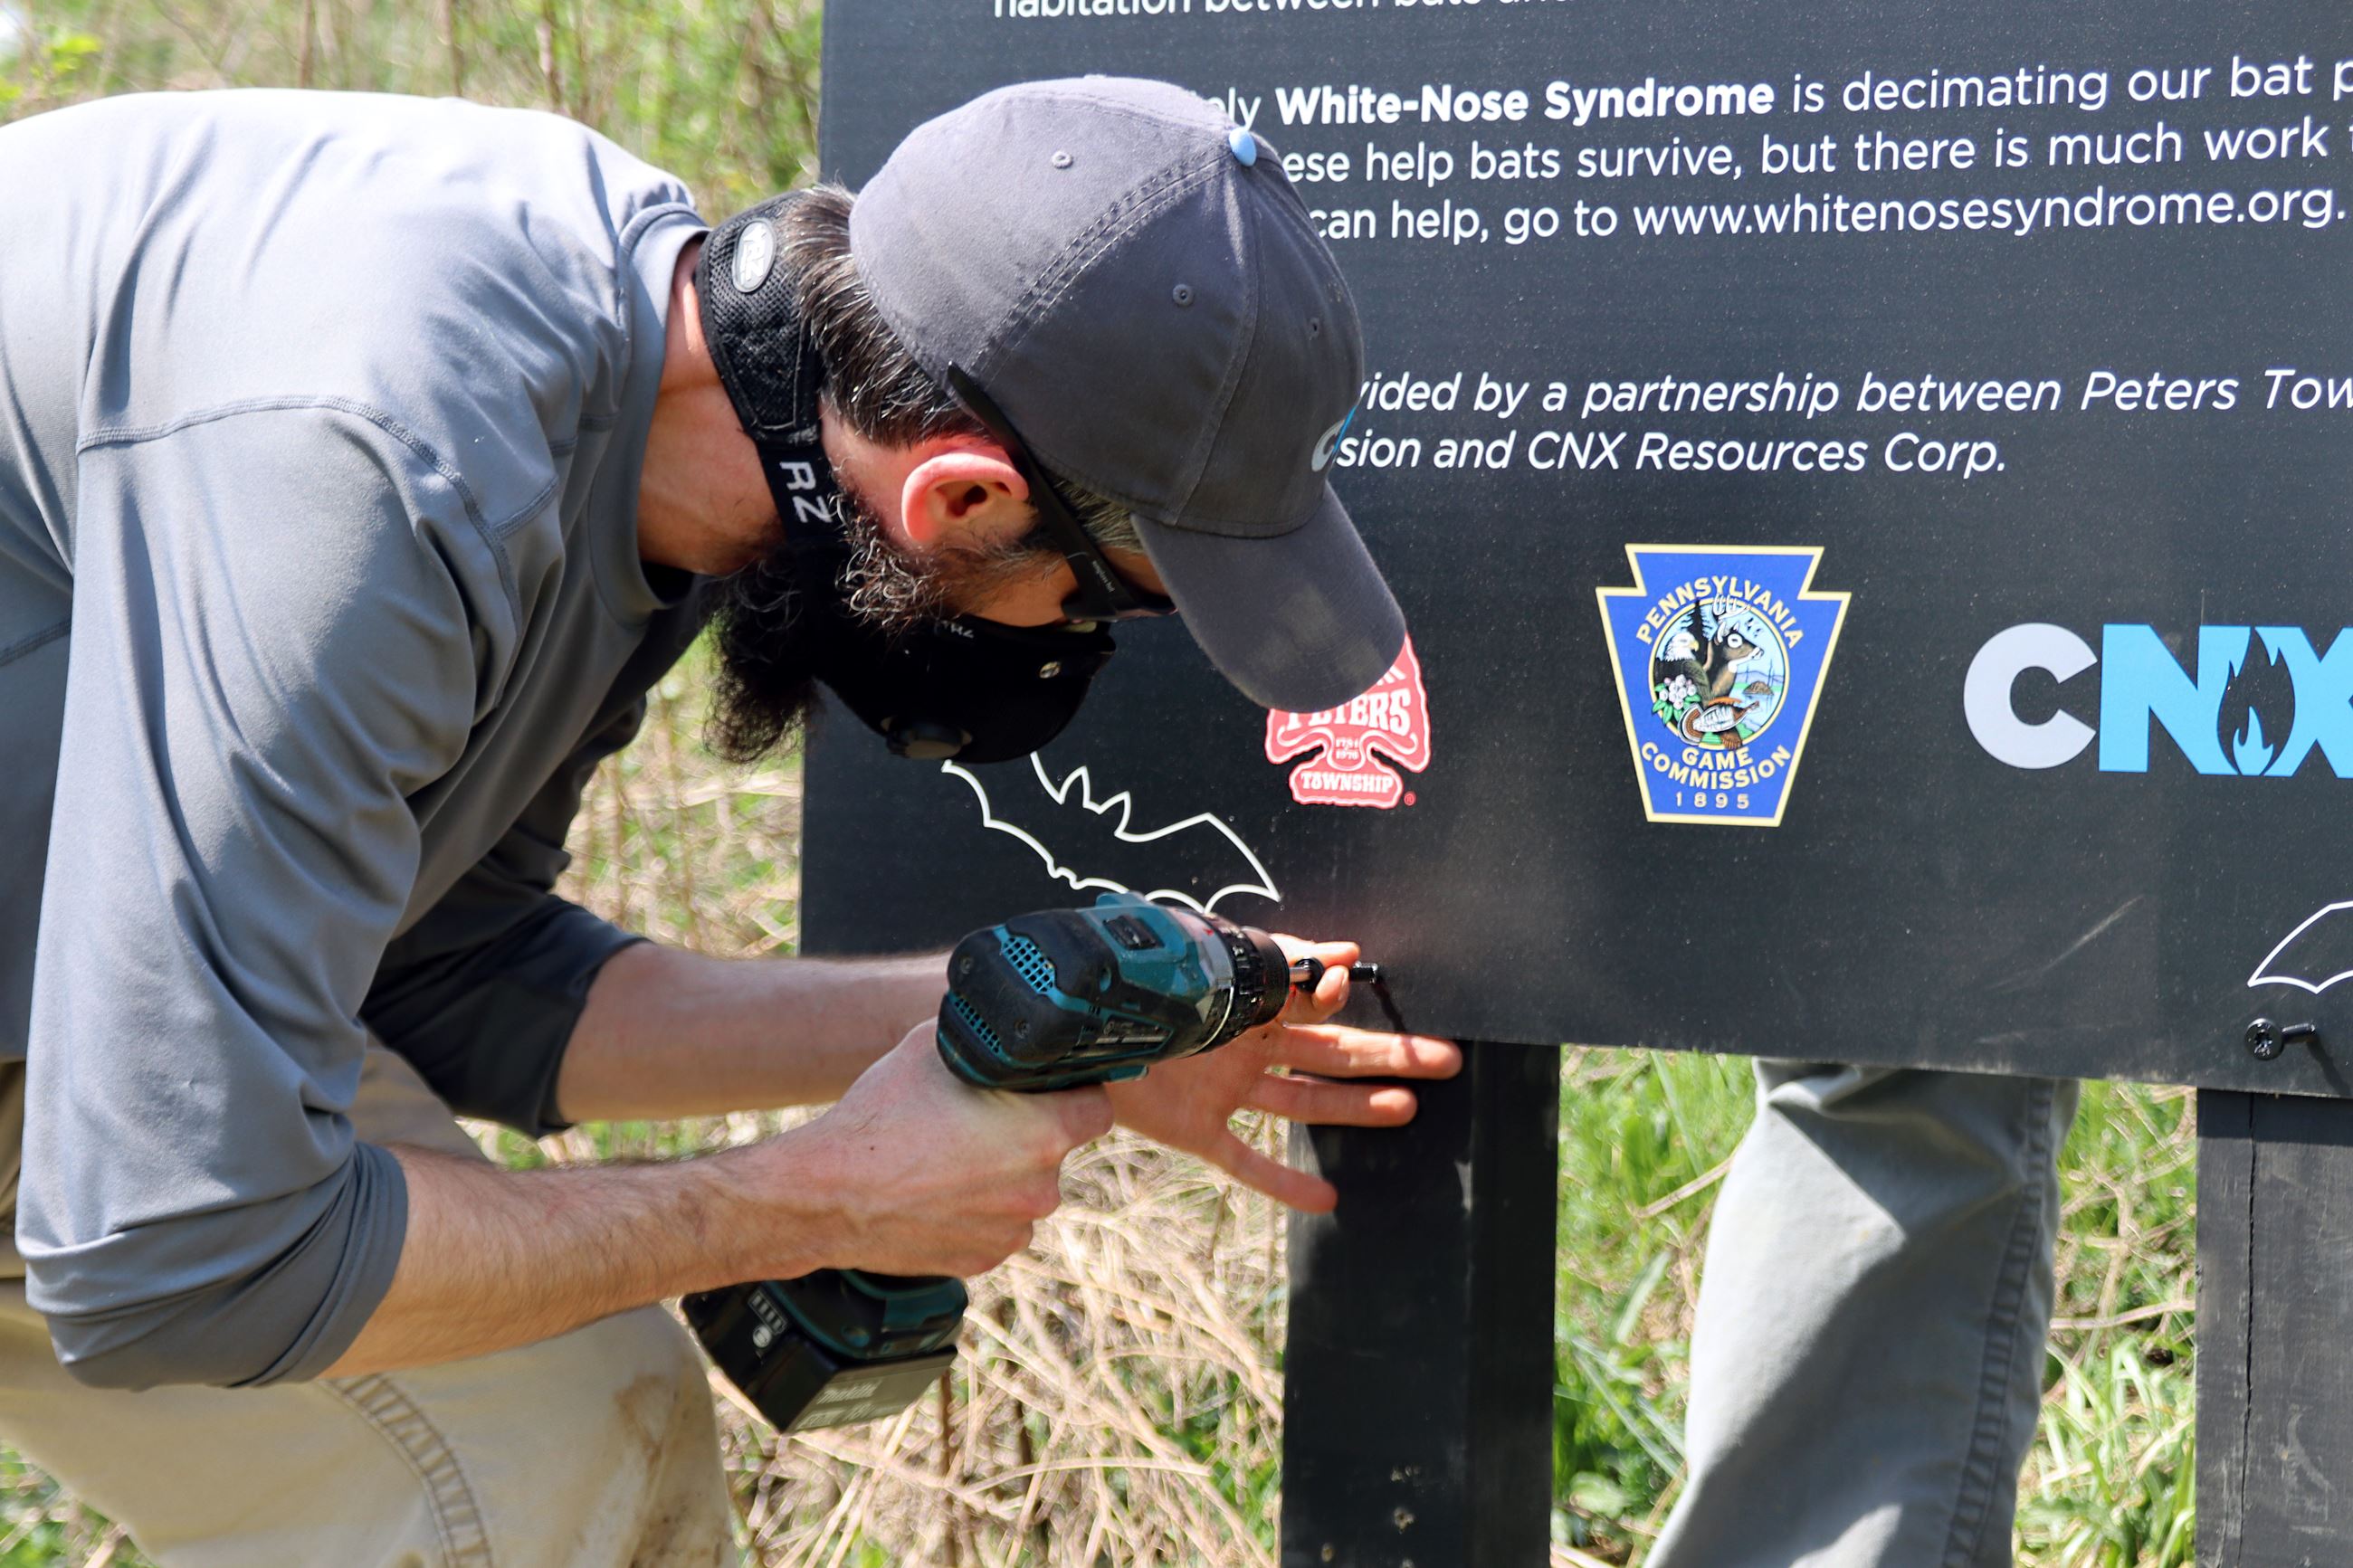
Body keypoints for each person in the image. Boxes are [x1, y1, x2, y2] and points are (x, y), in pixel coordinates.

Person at [0, 78, 1458, 1564]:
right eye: (1105, 595)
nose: (1080, 642)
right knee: (526, 1476)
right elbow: (180, 1253)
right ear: (958, 500)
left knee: (575, 1424)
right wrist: (801, 1195)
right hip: (87, 1083)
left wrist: (1022, 1031)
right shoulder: (394, 469)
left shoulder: (672, 396)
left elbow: (451, 972)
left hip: (66, 990)